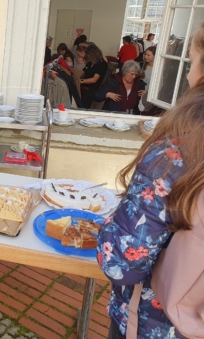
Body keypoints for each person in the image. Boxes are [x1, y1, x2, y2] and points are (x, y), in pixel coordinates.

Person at [97, 22, 204, 339]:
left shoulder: (175, 156)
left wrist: (110, 223)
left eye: (192, 61)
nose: (187, 74)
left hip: (156, 324)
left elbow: (121, 263)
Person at [80, 44, 108, 109]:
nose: (87, 56)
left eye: (88, 55)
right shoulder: (90, 63)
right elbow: (83, 71)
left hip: (92, 88)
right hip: (85, 85)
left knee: (83, 102)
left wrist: (81, 81)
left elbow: (94, 80)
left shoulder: (102, 64)